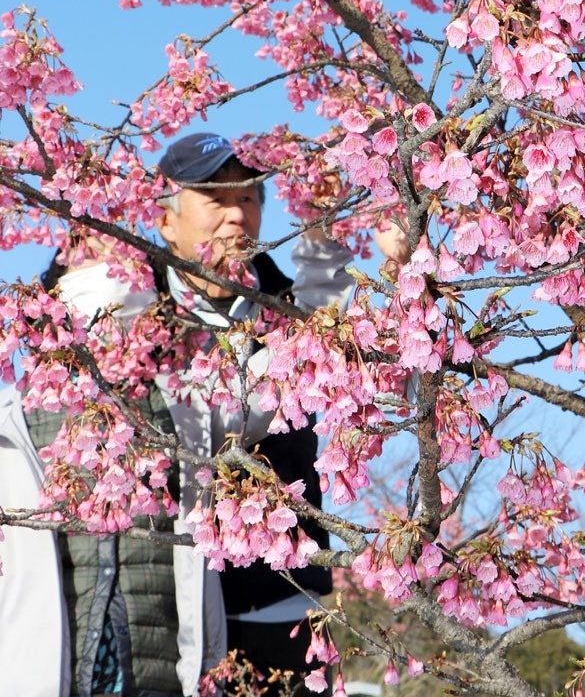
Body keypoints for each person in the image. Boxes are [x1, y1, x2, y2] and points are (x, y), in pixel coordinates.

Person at [0, 132, 403, 697]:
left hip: (276, 598)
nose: (238, 215)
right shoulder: (130, 319)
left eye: (251, 198)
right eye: (216, 198)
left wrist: (330, 237)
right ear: (165, 220)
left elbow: (328, 368)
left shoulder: (287, 307)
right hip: (173, 609)